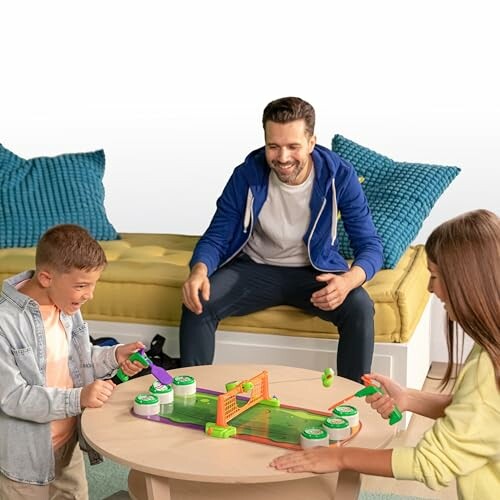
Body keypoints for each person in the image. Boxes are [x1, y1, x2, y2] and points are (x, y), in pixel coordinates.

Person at [270, 209, 500, 499]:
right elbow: (481, 415)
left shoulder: (486, 366)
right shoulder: (492, 345)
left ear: (467, 281)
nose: (431, 288)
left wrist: (340, 457)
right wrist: (410, 398)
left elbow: (430, 462)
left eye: (436, 276)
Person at [180, 96, 383, 382]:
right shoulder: (247, 174)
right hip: (255, 270)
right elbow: (217, 235)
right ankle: (190, 395)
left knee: (360, 306)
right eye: (273, 146)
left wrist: (348, 280)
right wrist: (199, 270)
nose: (283, 157)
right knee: (198, 299)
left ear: (312, 142)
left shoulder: (340, 175)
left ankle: (353, 401)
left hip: (314, 273)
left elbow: (370, 245)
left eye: (293, 146)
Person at [0, 224, 146, 500]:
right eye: (81, 286)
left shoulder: (66, 307)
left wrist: (114, 355)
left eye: (93, 285)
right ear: (46, 277)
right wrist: (78, 398)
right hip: (25, 454)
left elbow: (80, 359)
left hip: (67, 442)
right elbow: (12, 397)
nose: (89, 295)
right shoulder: (5, 325)